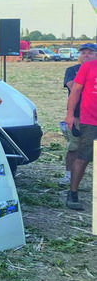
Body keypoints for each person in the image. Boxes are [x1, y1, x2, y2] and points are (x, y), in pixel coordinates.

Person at [61, 43, 97, 185]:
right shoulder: (72, 70)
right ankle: (68, 175)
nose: (86, 55)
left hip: (92, 115)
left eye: (90, 53)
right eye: (83, 53)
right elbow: (73, 87)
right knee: (74, 147)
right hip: (78, 115)